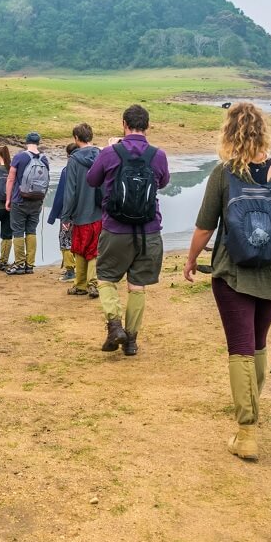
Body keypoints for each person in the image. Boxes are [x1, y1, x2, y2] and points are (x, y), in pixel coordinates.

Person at [183, 102, 271, 461]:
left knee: (240, 346)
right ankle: (251, 413)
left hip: (231, 273)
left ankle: (247, 431)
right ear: (263, 131)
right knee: (258, 344)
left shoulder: (223, 173)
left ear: (229, 132)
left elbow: (206, 226)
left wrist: (190, 260)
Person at [85, 104, 170, 356]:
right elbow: (163, 182)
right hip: (149, 231)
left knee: (106, 278)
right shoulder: (159, 155)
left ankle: (114, 325)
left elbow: (92, 180)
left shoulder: (111, 153)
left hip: (115, 229)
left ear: (124, 124)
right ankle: (131, 340)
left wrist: (106, 150)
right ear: (148, 126)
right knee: (137, 287)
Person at [60, 123, 103, 298]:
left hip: (80, 213)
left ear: (76, 138)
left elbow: (70, 191)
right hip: (99, 212)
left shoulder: (74, 161)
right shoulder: (102, 156)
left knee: (79, 249)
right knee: (94, 248)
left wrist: (66, 216)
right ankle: (92, 283)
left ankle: (81, 284)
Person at [5, 132, 51, 275]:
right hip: (37, 200)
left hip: (20, 200)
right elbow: (47, 181)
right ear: (38, 142)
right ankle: (30, 265)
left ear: (26, 142)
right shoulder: (45, 159)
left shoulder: (19, 157)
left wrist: (8, 199)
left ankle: (19, 264)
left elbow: (11, 179)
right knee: (31, 231)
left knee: (18, 231)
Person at [46, 143, 79, 283]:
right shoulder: (87, 169)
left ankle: (70, 271)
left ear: (68, 155)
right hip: (84, 213)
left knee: (65, 240)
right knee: (80, 240)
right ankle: (81, 270)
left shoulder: (67, 171)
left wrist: (53, 215)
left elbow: (60, 195)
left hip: (68, 213)